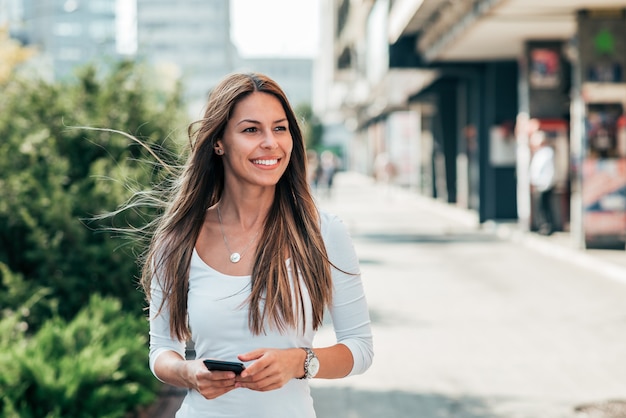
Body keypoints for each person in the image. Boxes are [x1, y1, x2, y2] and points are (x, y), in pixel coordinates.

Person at [141, 72, 373, 417]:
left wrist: (301, 362)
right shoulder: (179, 238)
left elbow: (360, 349)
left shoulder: (323, 232)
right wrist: (188, 372)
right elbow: (161, 350)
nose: (270, 142)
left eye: (280, 128)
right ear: (218, 141)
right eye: (252, 130)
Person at [529, 131, 556, 235]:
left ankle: (547, 226)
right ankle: (543, 226)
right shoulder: (540, 153)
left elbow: (548, 170)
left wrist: (546, 183)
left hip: (545, 185)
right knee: (540, 207)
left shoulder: (547, 152)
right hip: (539, 184)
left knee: (545, 207)